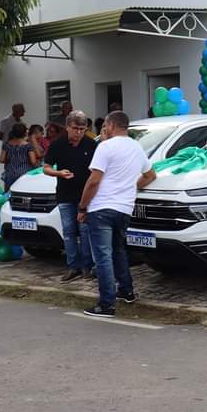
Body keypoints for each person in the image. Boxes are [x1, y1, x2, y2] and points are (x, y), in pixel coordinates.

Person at [77, 111, 156, 317]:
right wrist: (132, 187)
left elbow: (94, 180)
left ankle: (106, 304)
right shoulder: (136, 147)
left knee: (103, 256)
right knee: (118, 250)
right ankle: (126, 291)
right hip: (124, 208)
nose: (104, 128)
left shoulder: (105, 147)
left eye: (106, 124)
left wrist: (83, 207)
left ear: (111, 125)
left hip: (102, 207)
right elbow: (150, 175)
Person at [43, 111, 97, 283]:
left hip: (85, 195)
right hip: (65, 194)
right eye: (75, 128)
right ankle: (73, 266)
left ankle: (87, 266)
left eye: (82, 129)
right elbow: (46, 167)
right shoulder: (57, 144)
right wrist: (58, 173)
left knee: (85, 231)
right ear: (67, 127)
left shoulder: (91, 144)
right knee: (68, 231)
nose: (79, 132)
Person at [0, 123, 37, 189]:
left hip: (10, 173)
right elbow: (33, 161)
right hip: (24, 174)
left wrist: (9, 159)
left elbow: (1, 160)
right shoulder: (28, 146)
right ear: (25, 133)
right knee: (23, 192)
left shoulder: (7, 145)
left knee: (9, 192)